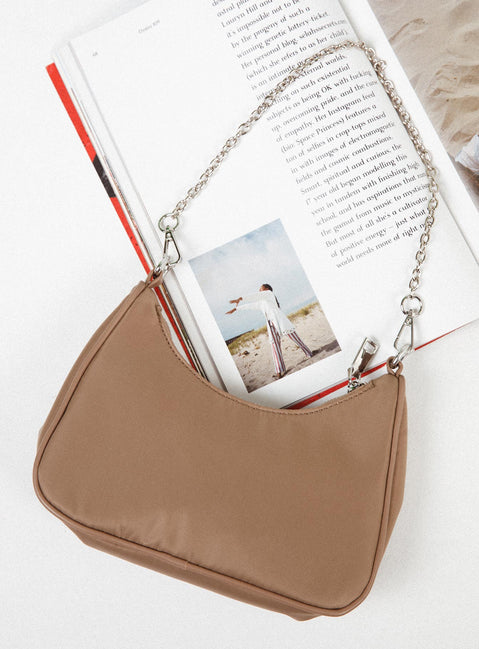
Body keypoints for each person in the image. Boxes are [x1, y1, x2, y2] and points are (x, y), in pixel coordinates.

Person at [226, 283, 313, 379]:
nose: (259, 291)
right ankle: (279, 371)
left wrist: (240, 298)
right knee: (274, 346)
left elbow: (255, 296)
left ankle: (308, 353)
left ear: (267, 288)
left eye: (261, 289)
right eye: (259, 290)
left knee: (295, 338)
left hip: (280, 321)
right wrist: (235, 309)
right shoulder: (261, 302)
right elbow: (250, 305)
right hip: (271, 325)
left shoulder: (269, 294)